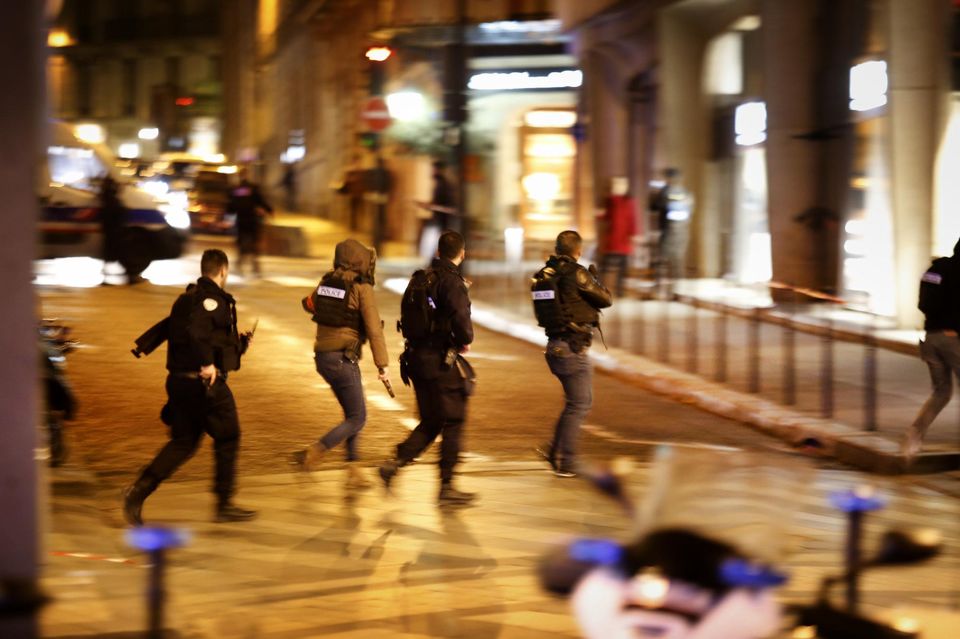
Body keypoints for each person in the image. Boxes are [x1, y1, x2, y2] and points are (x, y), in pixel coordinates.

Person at [122, 249, 257, 525]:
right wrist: (208, 365)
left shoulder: (186, 299)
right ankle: (224, 503)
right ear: (222, 271)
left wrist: (239, 346)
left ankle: (137, 492)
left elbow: (204, 338)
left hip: (178, 382)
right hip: (203, 385)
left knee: (183, 442)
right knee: (229, 436)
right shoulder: (212, 301)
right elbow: (198, 335)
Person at [379, 230, 477, 506]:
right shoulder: (452, 282)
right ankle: (447, 487)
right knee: (454, 420)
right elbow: (462, 324)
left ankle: (394, 463)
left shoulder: (419, 279)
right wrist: (464, 341)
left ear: (437, 253)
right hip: (439, 361)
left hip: (415, 361)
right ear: (462, 254)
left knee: (433, 420)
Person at [291, 239, 391, 489]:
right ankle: (314, 452)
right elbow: (373, 328)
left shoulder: (327, 281)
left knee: (352, 414)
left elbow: (308, 304)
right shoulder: (362, 287)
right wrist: (383, 364)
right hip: (342, 359)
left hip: (322, 358)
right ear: (361, 261)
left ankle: (353, 471)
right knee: (358, 417)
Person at [532, 230, 612, 477]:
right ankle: (566, 461)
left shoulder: (543, 275)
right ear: (578, 251)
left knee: (573, 403)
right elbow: (605, 299)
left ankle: (554, 449)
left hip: (554, 346)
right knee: (580, 403)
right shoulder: (576, 273)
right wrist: (596, 280)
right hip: (572, 348)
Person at [903, 238, 960, 464]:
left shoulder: (935, 269)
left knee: (941, 393)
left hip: (930, 338)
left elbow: (923, 304)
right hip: (951, 339)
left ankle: (914, 436)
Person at [649, 167, 693, 282]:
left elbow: (654, 206)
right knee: (678, 262)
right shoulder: (687, 193)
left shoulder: (665, 192)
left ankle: (660, 288)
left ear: (670, 178)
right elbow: (690, 212)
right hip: (683, 231)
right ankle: (678, 290)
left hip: (669, 231)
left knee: (662, 262)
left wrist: (655, 195)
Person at [597, 176, 638, 297]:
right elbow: (606, 216)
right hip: (612, 238)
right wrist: (598, 214)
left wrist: (634, 234)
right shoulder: (609, 200)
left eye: (622, 184)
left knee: (622, 268)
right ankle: (600, 290)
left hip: (623, 239)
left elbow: (633, 219)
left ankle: (620, 291)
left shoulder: (629, 201)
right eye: (617, 184)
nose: (619, 187)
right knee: (605, 266)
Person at [228, 170, 273, 277]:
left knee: (241, 243)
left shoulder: (236, 189)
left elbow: (231, 205)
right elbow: (260, 200)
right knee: (253, 243)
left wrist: (227, 216)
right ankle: (254, 267)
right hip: (251, 219)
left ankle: (241, 266)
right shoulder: (252, 188)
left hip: (241, 220)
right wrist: (269, 210)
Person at [417, 161, 456, 262]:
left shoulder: (444, 185)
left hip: (441, 221)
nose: (432, 172)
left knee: (432, 245)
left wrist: (429, 206)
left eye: (434, 169)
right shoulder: (441, 184)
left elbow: (445, 205)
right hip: (439, 220)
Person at [97, 174, 128, 283]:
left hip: (109, 228)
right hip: (114, 228)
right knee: (118, 250)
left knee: (110, 251)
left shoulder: (104, 197)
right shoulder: (112, 199)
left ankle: (106, 276)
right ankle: (130, 275)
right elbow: (119, 211)